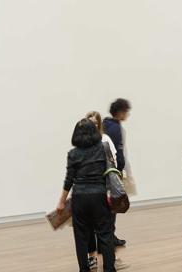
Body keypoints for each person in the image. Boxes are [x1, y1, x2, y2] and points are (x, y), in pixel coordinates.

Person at [56, 119, 116, 272]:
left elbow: (69, 180)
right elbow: (111, 171)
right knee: (105, 234)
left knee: (81, 237)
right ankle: (109, 269)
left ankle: (84, 269)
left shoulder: (73, 154)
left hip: (80, 198)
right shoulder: (103, 148)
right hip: (99, 196)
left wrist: (61, 202)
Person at [102, 99, 131, 248]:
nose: (127, 114)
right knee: (112, 205)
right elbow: (117, 153)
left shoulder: (106, 124)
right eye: (126, 111)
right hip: (112, 172)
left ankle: (108, 236)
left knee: (108, 205)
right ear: (120, 112)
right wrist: (121, 169)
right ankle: (108, 238)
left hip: (104, 171)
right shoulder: (114, 128)